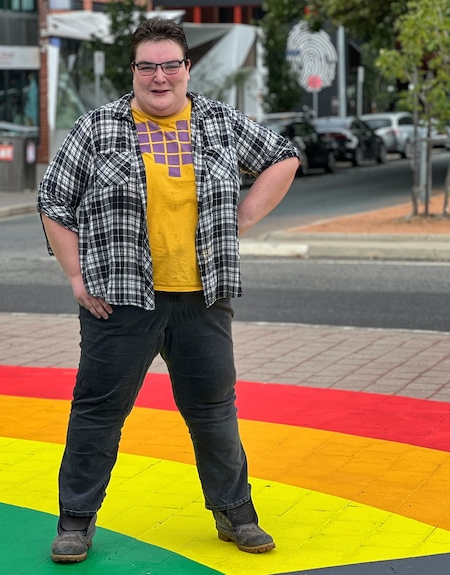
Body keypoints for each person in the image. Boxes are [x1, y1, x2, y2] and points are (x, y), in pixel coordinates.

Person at [37, 17, 299, 564]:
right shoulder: (97, 128)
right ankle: (75, 523)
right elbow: (54, 202)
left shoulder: (218, 123)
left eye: (170, 65)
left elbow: (283, 156)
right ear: (133, 70)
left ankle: (236, 515)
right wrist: (75, 275)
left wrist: (242, 218)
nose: (160, 77)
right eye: (148, 66)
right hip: (120, 300)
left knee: (214, 411)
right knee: (98, 413)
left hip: (202, 298)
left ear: (187, 68)